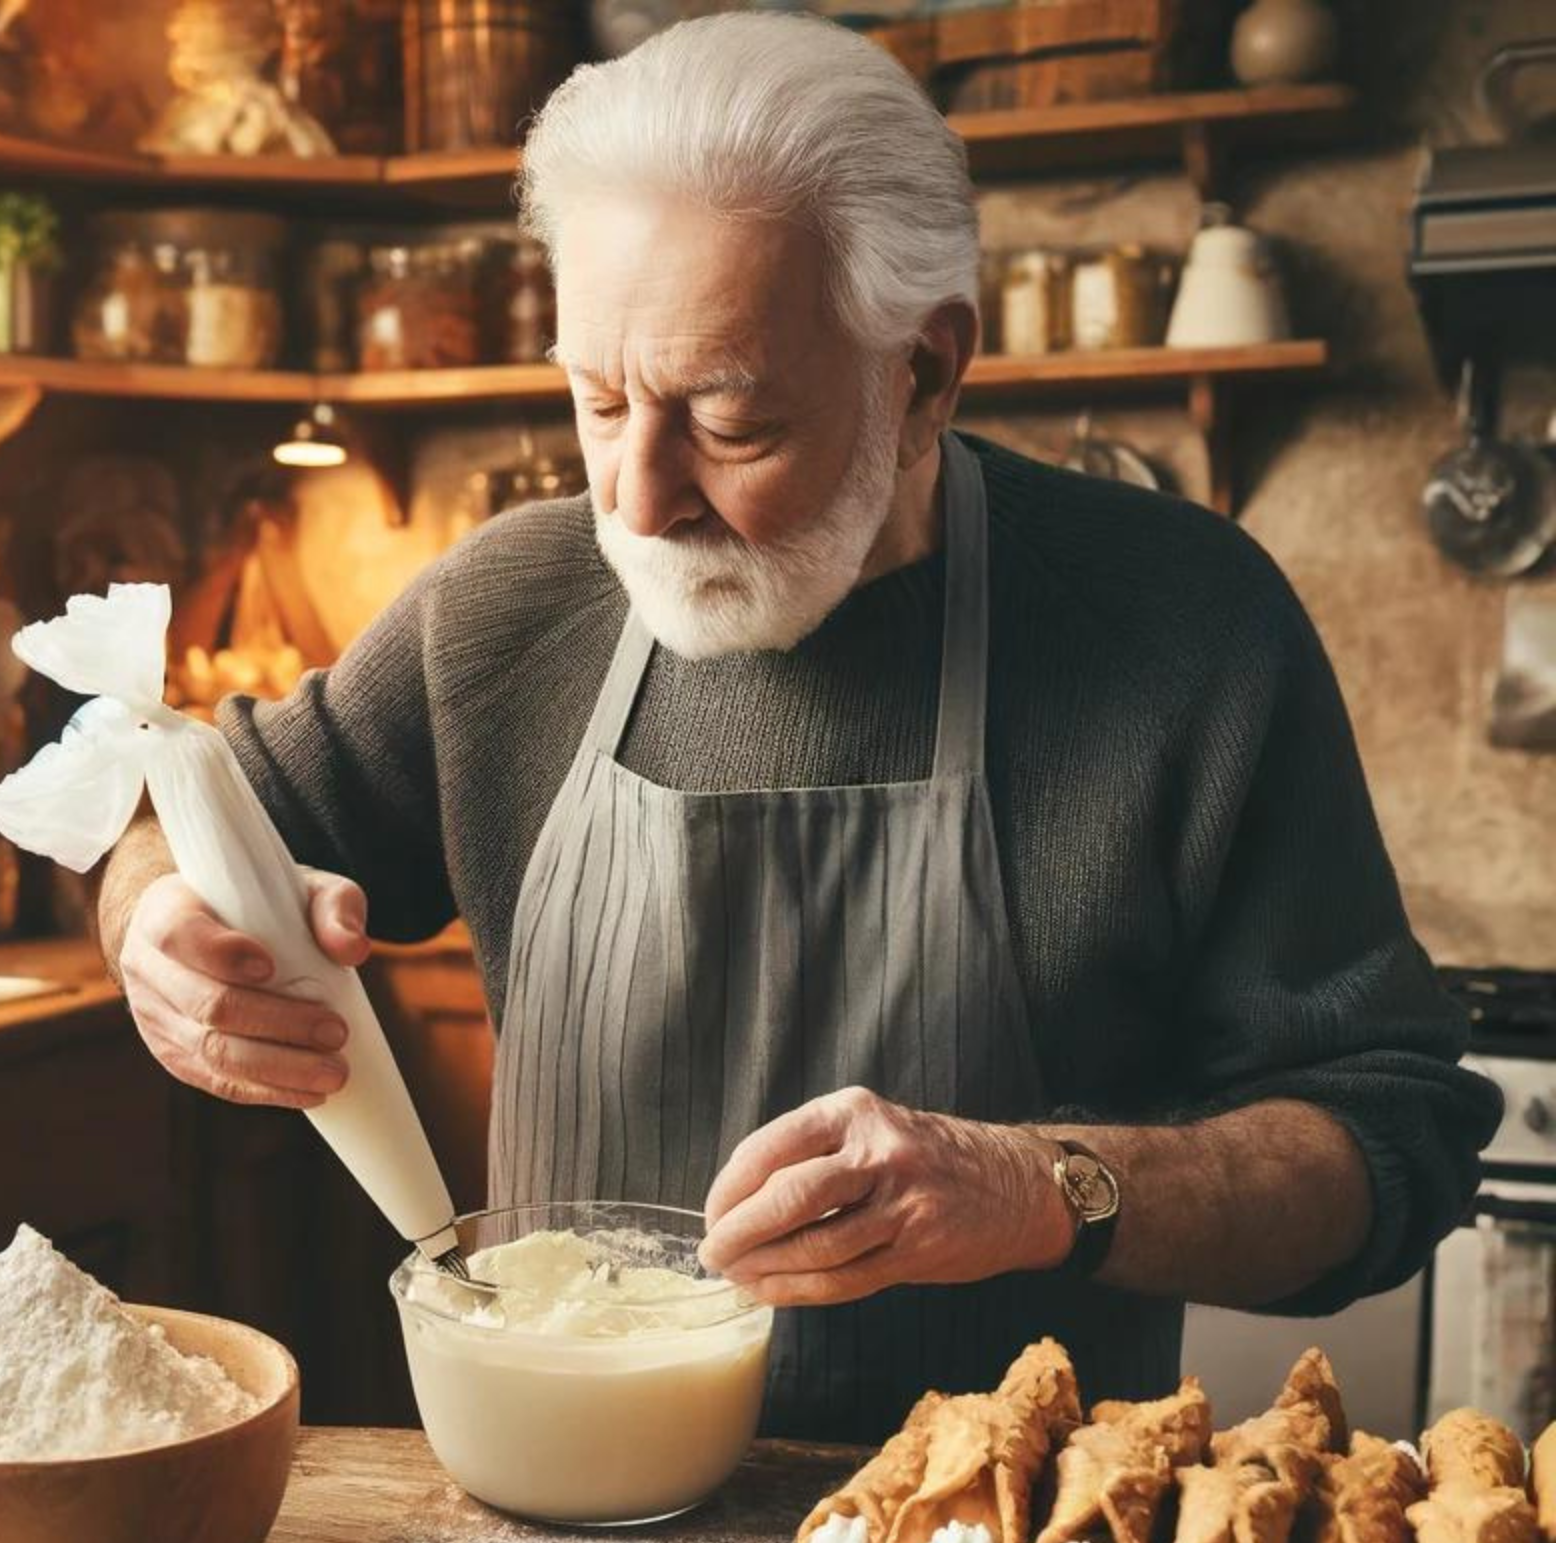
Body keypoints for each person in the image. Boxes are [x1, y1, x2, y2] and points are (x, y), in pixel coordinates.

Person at [93, 14, 1497, 1439]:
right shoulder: (502, 611)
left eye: (729, 422)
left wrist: (1036, 1188)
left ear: (926, 374)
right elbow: (178, 815)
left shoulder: (1185, 629)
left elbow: (1394, 1144)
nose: (638, 498)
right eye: (596, 402)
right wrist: (157, 930)